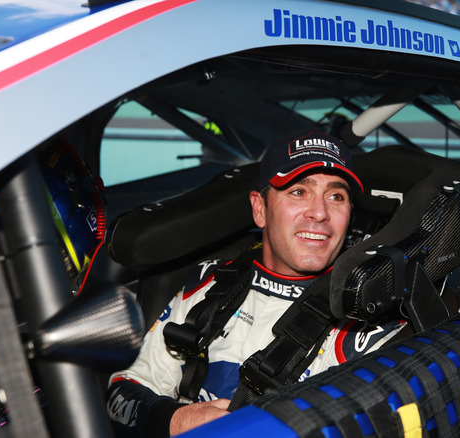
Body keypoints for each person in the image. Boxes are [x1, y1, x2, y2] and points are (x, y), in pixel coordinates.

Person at [106, 130, 406, 437]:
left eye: (336, 196)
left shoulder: (362, 321)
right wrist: (172, 420)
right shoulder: (208, 286)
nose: (319, 213)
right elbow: (122, 392)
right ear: (260, 209)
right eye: (298, 192)